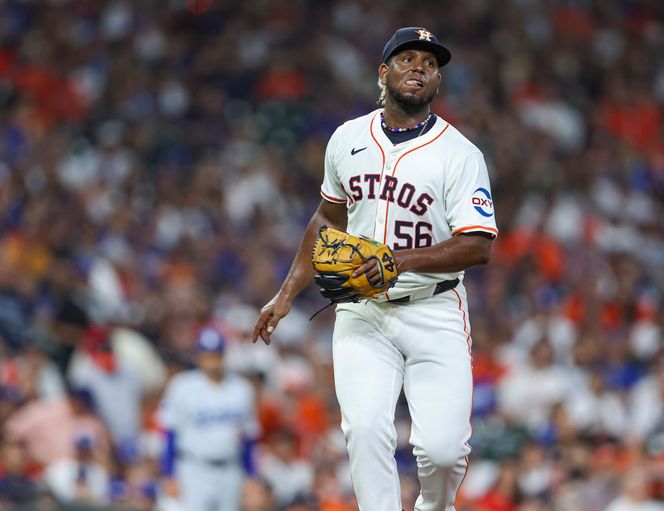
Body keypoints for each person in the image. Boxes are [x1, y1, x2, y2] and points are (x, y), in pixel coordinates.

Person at [252, 26, 497, 511]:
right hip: (362, 310)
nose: (419, 68)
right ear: (383, 73)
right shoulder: (347, 139)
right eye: (408, 59)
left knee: (443, 454)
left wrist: (397, 262)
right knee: (364, 431)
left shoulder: (460, 154)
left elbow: (478, 245)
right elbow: (327, 218)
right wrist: (285, 295)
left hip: (434, 309)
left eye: (430, 64)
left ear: (436, 83)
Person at [156, 325, 263, 511]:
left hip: (231, 469)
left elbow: (249, 438)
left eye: (216, 354)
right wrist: (168, 474)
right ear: (199, 355)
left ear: (223, 354)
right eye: (207, 354)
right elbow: (169, 433)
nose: (212, 360)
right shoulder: (182, 386)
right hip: (193, 469)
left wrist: (251, 476)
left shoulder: (241, 389)